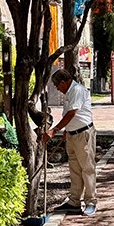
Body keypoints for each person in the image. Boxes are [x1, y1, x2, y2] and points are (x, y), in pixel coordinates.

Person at [44, 69, 97, 216]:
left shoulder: (77, 90)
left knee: (87, 168)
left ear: (63, 82)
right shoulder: (69, 92)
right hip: (72, 135)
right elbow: (71, 116)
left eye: (57, 85)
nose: (57, 89)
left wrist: (54, 130)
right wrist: (67, 130)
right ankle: (74, 201)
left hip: (83, 134)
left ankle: (91, 201)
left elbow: (72, 113)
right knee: (75, 169)